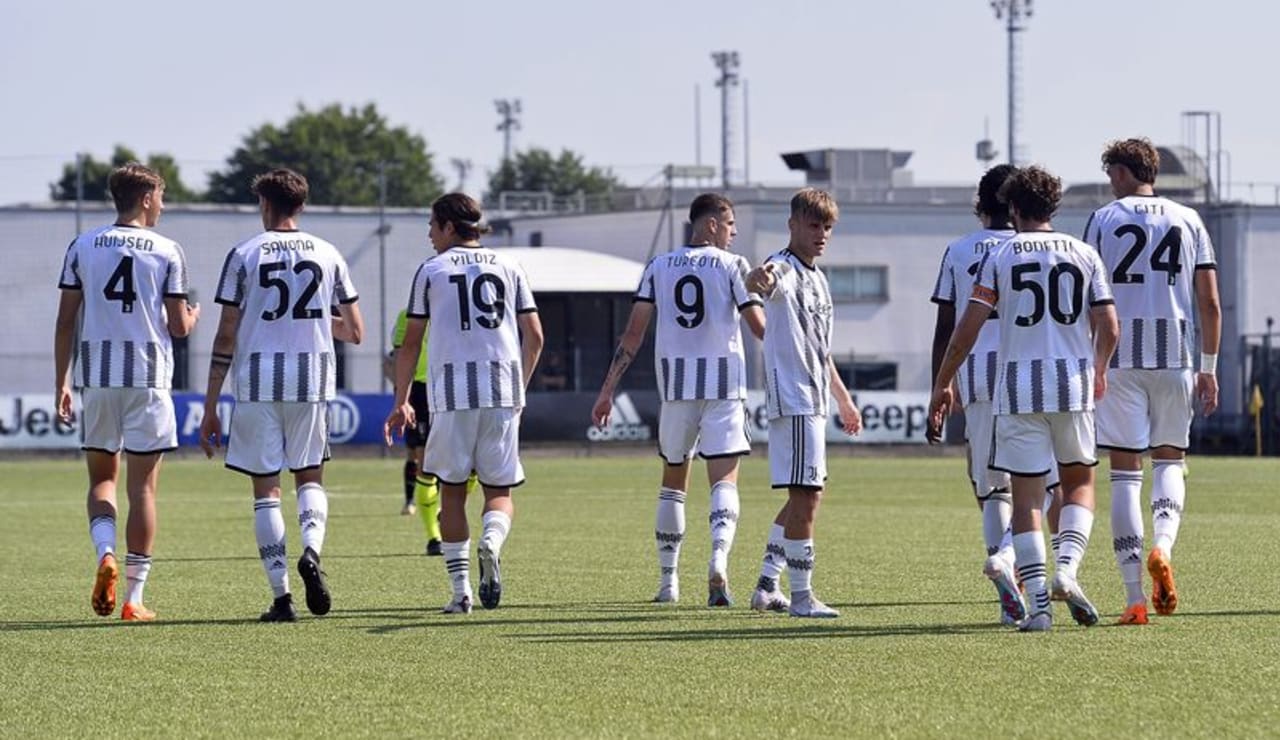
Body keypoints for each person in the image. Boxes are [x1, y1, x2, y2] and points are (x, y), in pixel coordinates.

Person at [930, 166, 1119, 632]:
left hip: (1014, 390)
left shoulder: (999, 255)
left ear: (1013, 207)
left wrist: (942, 381)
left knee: (1026, 500)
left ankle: (1037, 609)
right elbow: (1110, 325)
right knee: (1077, 485)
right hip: (1071, 386)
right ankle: (1068, 570)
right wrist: (1098, 368)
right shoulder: (1084, 253)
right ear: (1053, 206)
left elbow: (965, 331)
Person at [198, 168, 364, 622]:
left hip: (257, 382)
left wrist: (211, 405)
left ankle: (282, 598)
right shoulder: (328, 253)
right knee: (309, 478)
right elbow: (354, 330)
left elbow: (225, 335)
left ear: (265, 205)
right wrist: (312, 320)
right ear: (302, 206)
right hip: (312, 380)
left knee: (265, 490)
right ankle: (312, 552)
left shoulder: (244, 254)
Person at [591, 193, 766, 607]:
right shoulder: (734, 266)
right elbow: (759, 328)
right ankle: (718, 559)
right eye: (729, 225)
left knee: (674, 482)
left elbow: (632, 335)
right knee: (724, 478)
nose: (733, 233)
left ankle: (668, 583)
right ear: (710, 225)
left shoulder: (659, 266)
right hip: (723, 386)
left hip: (676, 388)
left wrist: (606, 390)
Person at [1083, 137, 1221, 625]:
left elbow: (1089, 297)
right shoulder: (1189, 220)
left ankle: (1134, 597)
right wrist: (1208, 366)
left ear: (1121, 173)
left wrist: (1093, 362)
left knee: (1124, 472)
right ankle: (1162, 546)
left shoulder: (1103, 220)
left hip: (1120, 358)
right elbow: (1209, 303)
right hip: (1175, 356)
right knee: (1170, 459)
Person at [53, 163, 200, 622]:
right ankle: (134, 600)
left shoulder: (82, 245)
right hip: (149, 380)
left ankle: (105, 554)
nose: (162, 204)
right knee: (144, 491)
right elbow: (177, 326)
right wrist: (193, 317)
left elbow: (65, 321)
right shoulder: (168, 250)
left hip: (98, 378)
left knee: (102, 480)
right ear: (145, 198)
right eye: (160, 197)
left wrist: (61, 380)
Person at [384, 193, 543, 615]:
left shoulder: (431, 271)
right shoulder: (511, 267)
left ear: (450, 227)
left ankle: (461, 593)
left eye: (433, 226)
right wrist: (520, 390)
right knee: (499, 491)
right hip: (502, 392)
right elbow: (536, 336)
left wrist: (401, 400)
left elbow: (411, 342)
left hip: (451, 395)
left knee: (452, 493)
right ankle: (491, 542)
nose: (430, 235)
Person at [745, 188, 862, 619]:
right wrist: (758, 280)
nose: (821, 234)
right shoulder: (786, 269)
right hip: (793, 399)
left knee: (805, 496)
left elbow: (821, 351)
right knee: (807, 496)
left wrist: (844, 401)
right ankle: (800, 597)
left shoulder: (818, 277)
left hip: (813, 400)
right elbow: (764, 280)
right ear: (792, 224)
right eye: (814, 225)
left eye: (827, 227)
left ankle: (766, 585)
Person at [928, 165, 1027, 623]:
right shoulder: (1033, 246)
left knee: (991, 489)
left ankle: (1004, 584)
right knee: (1043, 484)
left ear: (980, 204)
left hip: (975, 375)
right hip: (1028, 372)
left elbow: (946, 326)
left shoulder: (959, 249)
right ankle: (1014, 561)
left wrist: (939, 386)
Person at [386, 308, 443, 556]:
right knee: (422, 458)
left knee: (463, 461)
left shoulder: (451, 305)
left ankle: (441, 505)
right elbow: (398, 354)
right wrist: (402, 395)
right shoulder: (405, 315)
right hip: (418, 393)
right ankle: (433, 535)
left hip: (448, 386)